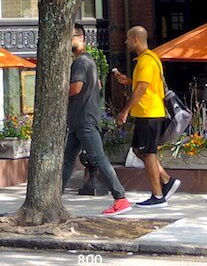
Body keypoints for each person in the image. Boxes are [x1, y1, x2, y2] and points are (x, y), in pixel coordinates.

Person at [62, 23, 132, 216]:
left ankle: (120, 198)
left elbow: (76, 88)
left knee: (98, 158)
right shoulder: (89, 61)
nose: (68, 41)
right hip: (79, 121)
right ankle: (54, 198)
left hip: (84, 121)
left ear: (81, 39)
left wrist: (56, 92)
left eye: (71, 37)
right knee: (67, 161)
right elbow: (99, 85)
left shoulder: (80, 63)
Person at [113, 26, 181, 208]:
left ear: (136, 39)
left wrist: (125, 110)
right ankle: (166, 180)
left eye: (128, 39)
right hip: (147, 113)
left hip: (149, 113)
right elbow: (145, 85)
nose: (126, 42)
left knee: (149, 154)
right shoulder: (149, 59)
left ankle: (158, 196)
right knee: (138, 150)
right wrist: (128, 81)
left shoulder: (146, 61)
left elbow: (142, 89)